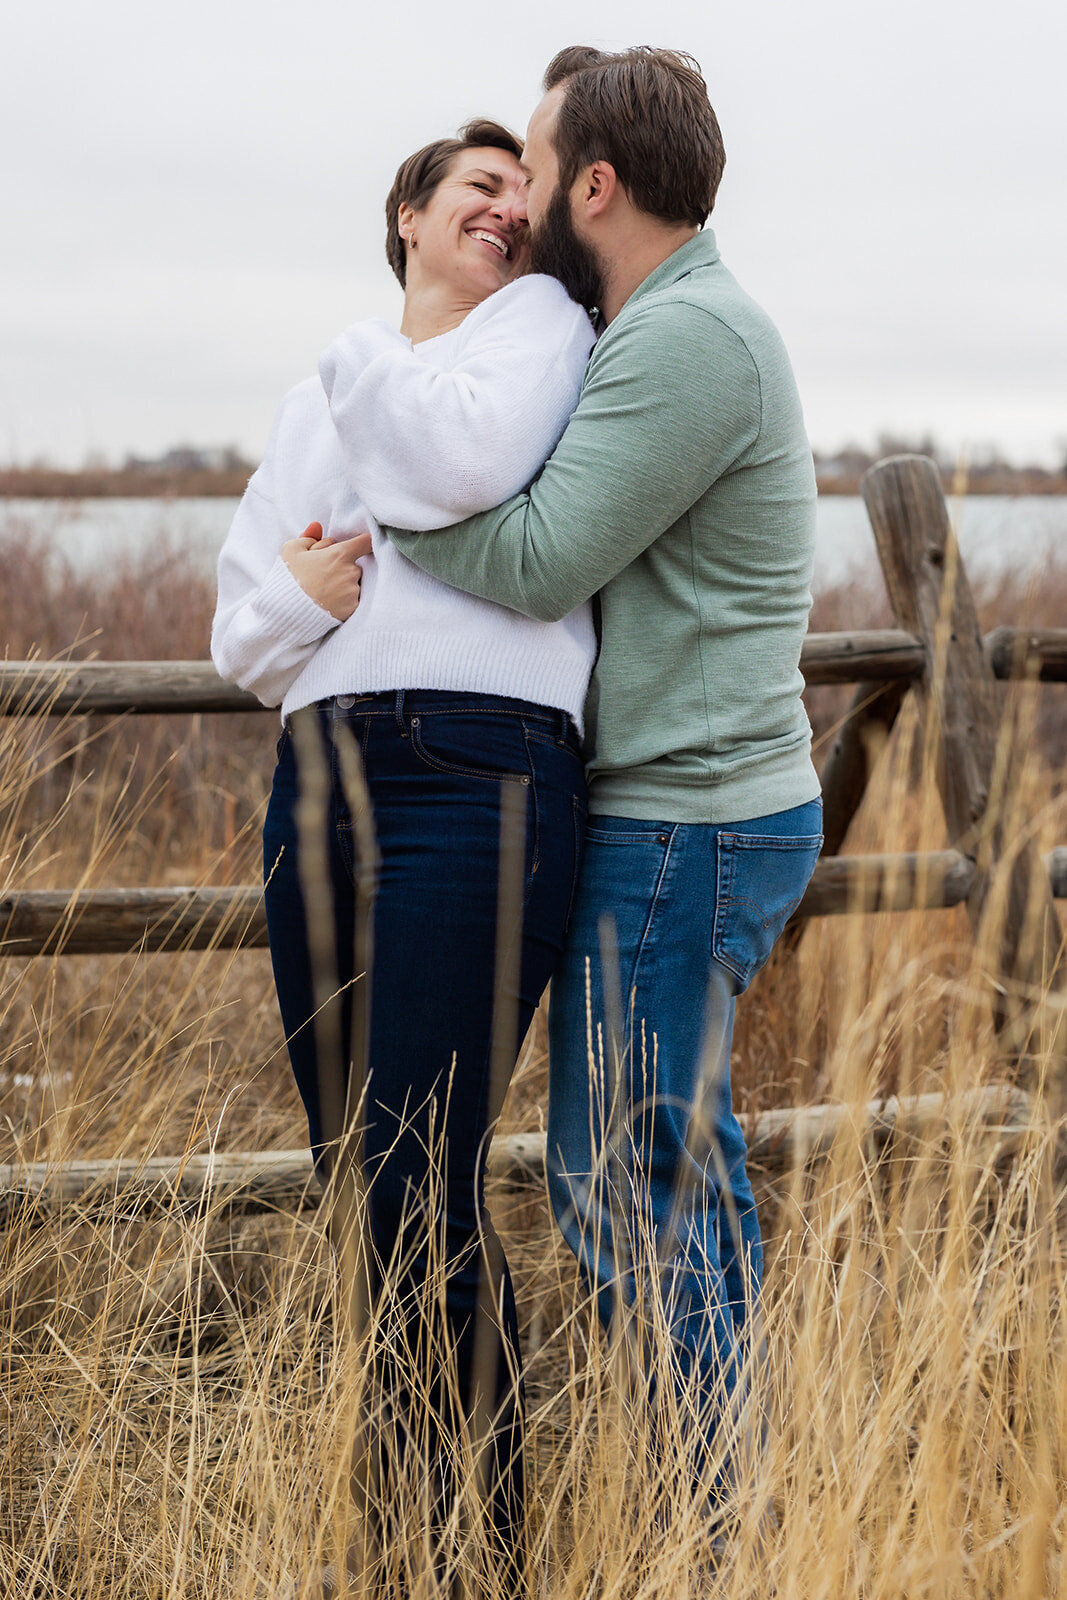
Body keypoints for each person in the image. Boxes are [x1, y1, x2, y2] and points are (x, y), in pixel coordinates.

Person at [351, 47, 824, 1516]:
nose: (525, 192)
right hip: (688, 810)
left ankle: (704, 1520)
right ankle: (732, 1495)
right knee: (678, 1167)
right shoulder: (659, 324)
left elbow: (546, 554)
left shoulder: (690, 342)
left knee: (622, 1182)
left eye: (542, 169)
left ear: (599, 188)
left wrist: (387, 504)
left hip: (689, 818)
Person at [211, 120, 596, 1590]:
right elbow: (243, 633)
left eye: (525, 191)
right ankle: (403, 1519)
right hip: (317, 772)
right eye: (479, 188)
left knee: (410, 1166)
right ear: (409, 213)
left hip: (479, 770)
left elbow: (460, 463)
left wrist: (360, 370)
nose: (510, 207)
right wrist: (305, 591)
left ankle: (485, 1542)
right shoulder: (335, 395)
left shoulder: (537, 329)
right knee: (351, 1174)